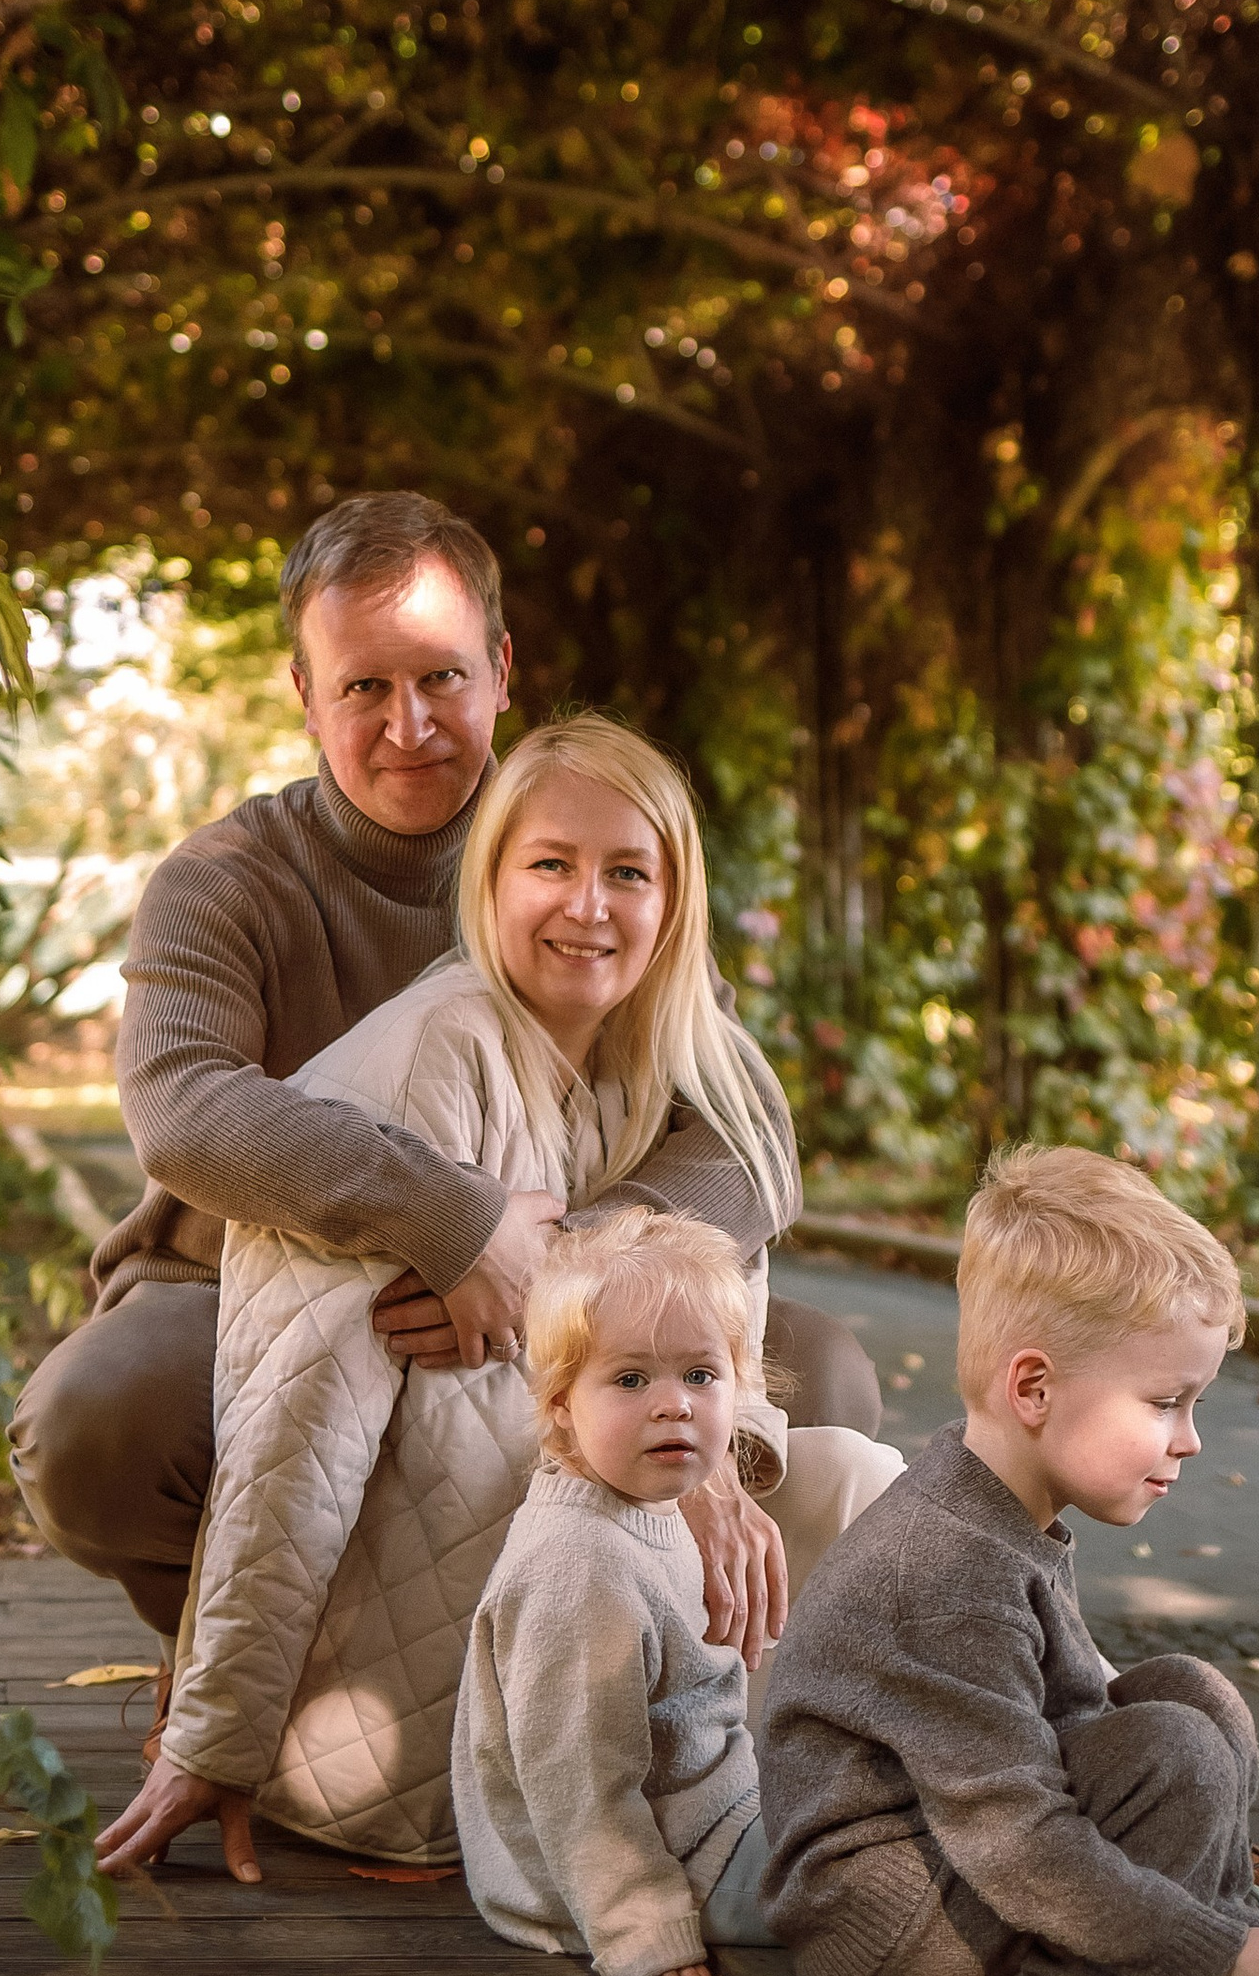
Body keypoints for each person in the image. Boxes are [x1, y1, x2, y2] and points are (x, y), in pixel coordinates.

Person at [9, 493, 880, 1709]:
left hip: (553, 1294)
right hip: (251, 1293)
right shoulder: (224, 882)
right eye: (364, 686)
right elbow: (184, 1107)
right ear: (304, 692)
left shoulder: (574, 849)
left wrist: (568, 1272)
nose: (407, 724)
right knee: (93, 1428)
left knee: (823, 1377)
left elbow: (739, 1131)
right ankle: (248, 1661)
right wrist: (449, 1220)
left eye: (440, 677)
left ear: (502, 670)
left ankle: (646, 1683)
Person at [94, 717, 902, 1878]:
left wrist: (713, 1457)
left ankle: (1072, 1812)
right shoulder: (434, 1055)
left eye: (629, 871)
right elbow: (295, 1426)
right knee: (897, 1660)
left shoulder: (674, 1066)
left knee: (872, 1496)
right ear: (489, 880)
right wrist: (218, 1736)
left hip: (596, 1563)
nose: (589, 906)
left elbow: (730, 1316)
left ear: (675, 900)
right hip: (451, 1678)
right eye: (551, 866)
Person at [758, 1143, 1259, 1976]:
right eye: (1165, 1402)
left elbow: (1075, 1727)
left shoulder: (1006, 1511)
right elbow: (1017, 1835)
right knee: (1169, 1746)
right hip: (877, 1923)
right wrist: (1211, 1948)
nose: (1189, 1441)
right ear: (1035, 1388)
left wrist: (1210, 1937)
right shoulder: (943, 1567)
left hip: (948, 1872)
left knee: (1188, 1694)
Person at [454, 1210, 811, 1976]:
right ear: (558, 1407)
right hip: (660, 1869)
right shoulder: (577, 1564)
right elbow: (577, 1780)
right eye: (628, 1379)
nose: (673, 1404)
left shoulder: (645, 1503)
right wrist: (642, 1924)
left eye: (700, 1375)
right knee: (886, 1882)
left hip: (711, 1814)